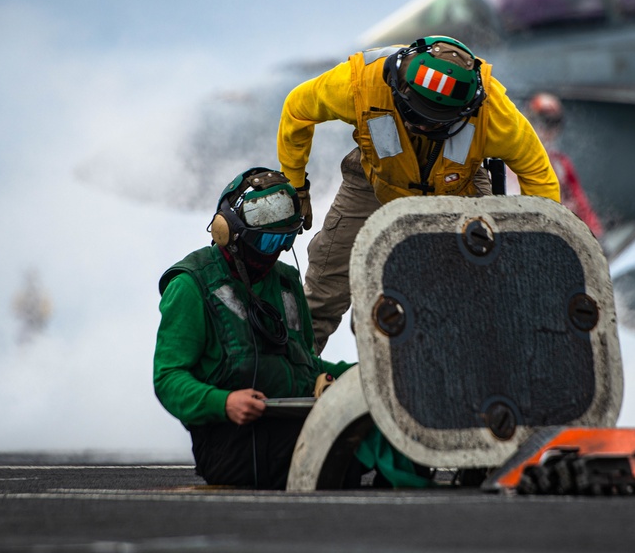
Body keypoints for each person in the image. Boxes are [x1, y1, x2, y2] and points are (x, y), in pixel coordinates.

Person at [277, 35, 561, 351]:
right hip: (373, 183)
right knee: (326, 289)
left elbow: (538, 174)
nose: (421, 127)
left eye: (434, 122)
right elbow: (297, 108)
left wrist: (536, 251)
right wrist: (295, 187)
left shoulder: (494, 113)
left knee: (482, 295)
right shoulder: (359, 84)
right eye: (416, 115)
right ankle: (295, 377)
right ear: (398, 86)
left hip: (459, 191)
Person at [154, 167, 430, 489]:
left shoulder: (285, 281)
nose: (275, 251)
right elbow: (168, 377)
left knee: (391, 407)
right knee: (353, 440)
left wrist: (370, 376)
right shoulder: (191, 285)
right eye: (267, 240)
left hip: (291, 421)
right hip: (231, 441)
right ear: (226, 232)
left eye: (285, 239)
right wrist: (223, 403)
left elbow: (305, 364)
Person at [526, 93, 604, 238]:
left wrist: (596, 233)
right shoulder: (511, 161)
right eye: (543, 122)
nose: (547, 130)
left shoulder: (561, 164)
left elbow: (581, 204)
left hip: (555, 233)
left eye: (553, 123)